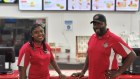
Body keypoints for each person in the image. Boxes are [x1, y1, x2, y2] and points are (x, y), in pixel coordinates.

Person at [71, 14, 136, 79]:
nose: (96, 26)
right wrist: (83, 71)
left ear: (105, 24)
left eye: (99, 24)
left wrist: (119, 72)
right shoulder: (92, 37)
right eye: (94, 24)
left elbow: (132, 55)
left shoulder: (114, 39)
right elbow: (89, 55)